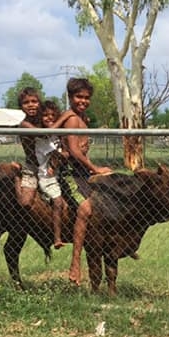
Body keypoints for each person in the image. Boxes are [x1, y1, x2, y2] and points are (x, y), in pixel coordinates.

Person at [58, 78, 112, 285]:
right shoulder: (72, 120)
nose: (83, 101)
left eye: (86, 97)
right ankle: (75, 263)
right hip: (70, 173)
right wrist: (95, 168)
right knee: (86, 208)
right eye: (79, 97)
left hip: (81, 172)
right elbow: (73, 150)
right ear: (70, 97)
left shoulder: (82, 118)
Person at [35, 100, 67, 249]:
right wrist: (68, 153)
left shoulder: (56, 135)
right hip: (47, 178)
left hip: (59, 176)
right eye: (45, 115)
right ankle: (57, 237)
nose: (50, 118)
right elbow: (56, 155)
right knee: (58, 202)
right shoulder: (41, 138)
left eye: (53, 115)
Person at [16, 87, 43, 208]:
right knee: (25, 202)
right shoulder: (24, 125)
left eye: (34, 101)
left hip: (50, 167)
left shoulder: (45, 120)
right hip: (33, 167)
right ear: (21, 106)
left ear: (39, 103)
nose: (31, 105)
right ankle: (17, 177)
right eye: (26, 102)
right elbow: (42, 134)